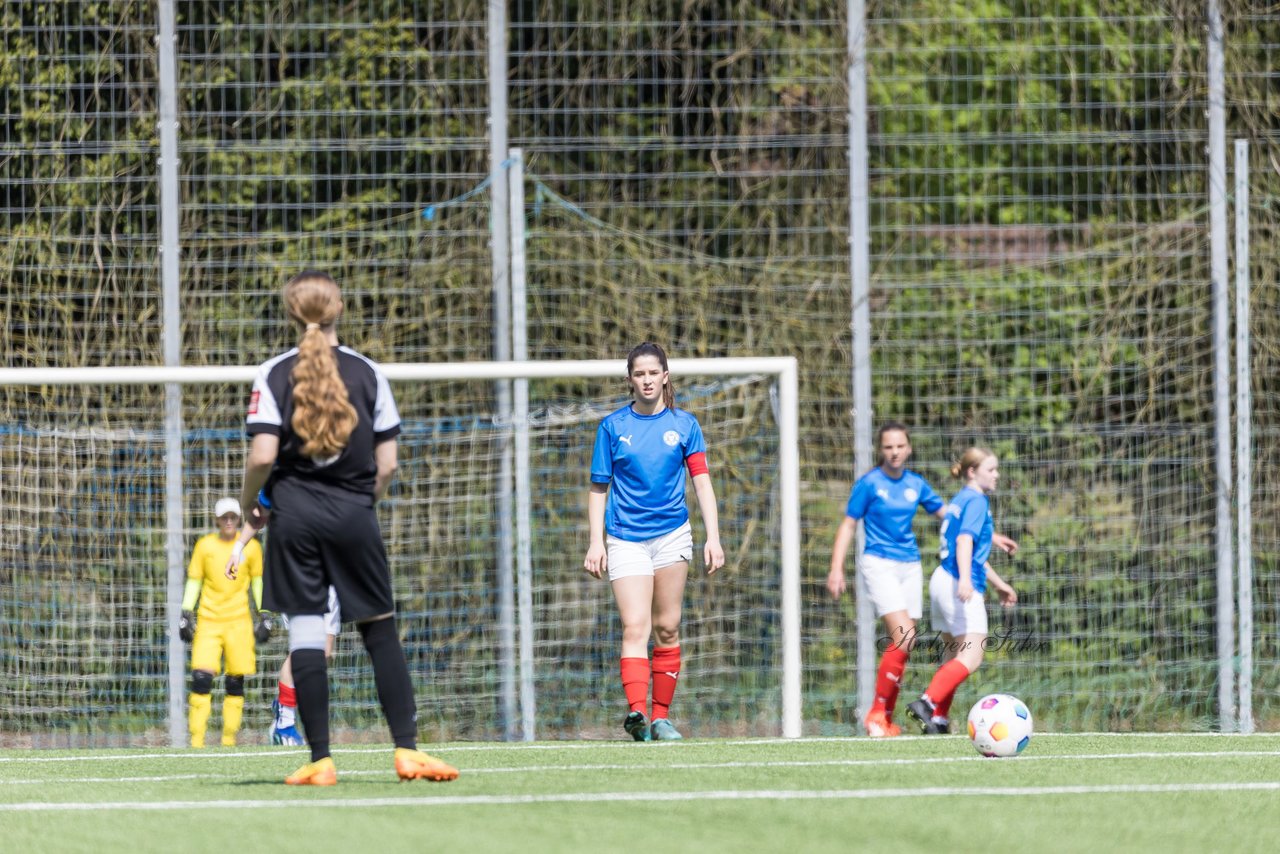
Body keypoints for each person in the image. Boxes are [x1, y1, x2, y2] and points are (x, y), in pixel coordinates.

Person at [225, 270, 457, 785]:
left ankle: (321, 759)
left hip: (294, 520)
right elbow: (389, 463)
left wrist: (249, 506)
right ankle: (407, 752)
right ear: (340, 310)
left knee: (306, 633)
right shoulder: (368, 372)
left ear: (291, 313)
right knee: (379, 629)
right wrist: (360, 502)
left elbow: (262, 454)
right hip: (354, 514)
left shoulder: (272, 373)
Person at [826, 424, 1017, 738]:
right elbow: (848, 525)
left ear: (909, 448)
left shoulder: (917, 484)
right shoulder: (870, 483)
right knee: (907, 637)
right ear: (881, 450)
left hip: (912, 566)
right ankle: (885, 713)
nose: (895, 452)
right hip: (879, 562)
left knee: (912, 642)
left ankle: (904, 717)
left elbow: (950, 515)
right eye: (888, 447)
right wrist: (836, 567)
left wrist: (990, 535)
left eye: (900, 446)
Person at [583, 342, 726, 742]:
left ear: (666, 376)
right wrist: (597, 543)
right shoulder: (612, 427)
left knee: (667, 626)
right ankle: (636, 714)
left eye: (653, 373)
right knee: (635, 625)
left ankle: (660, 718)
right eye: (639, 374)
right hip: (626, 538)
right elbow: (598, 488)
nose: (646, 380)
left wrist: (713, 537)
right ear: (630, 380)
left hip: (673, 536)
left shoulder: (685, 425)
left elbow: (702, 482)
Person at [905, 447, 1018, 735]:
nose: (996, 475)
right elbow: (965, 541)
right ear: (972, 472)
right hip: (958, 581)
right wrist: (966, 579)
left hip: (943, 577)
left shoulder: (960, 500)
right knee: (971, 657)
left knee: (952, 654)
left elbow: (972, 548)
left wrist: (999, 584)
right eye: (991, 469)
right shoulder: (977, 500)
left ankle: (938, 720)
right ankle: (928, 702)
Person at [178, 497, 267, 748]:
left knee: (235, 681)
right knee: (201, 678)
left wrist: (265, 613)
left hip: (239, 622)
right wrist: (186, 612)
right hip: (209, 621)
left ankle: (229, 741)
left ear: (239, 519)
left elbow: (258, 582)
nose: (228, 521)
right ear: (216, 519)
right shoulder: (205, 546)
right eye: (224, 517)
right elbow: (195, 580)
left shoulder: (252, 548)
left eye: (233, 517)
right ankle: (196, 742)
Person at [268, 584, 339, 746]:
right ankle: (285, 722)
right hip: (301, 579)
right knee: (304, 648)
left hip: (329, 584)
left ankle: (284, 709)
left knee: (324, 651)